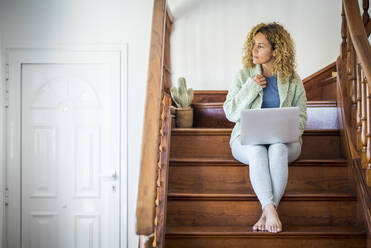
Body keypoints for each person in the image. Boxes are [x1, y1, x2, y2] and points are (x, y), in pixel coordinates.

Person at [223, 22, 308, 233]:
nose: (253, 50)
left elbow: (302, 116)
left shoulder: (294, 80)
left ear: (276, 50)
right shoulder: (244, 75)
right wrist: (251, 87)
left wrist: (289, 132)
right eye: (253, 44)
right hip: (246, 140)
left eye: (260, 46)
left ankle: (267, 212)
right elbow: (230, 112)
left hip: (285, 142)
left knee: (278, 148)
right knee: (257, 150)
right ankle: (270, 210)